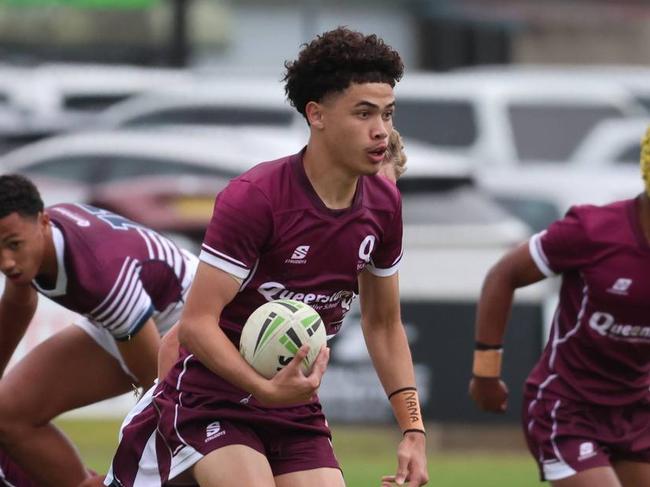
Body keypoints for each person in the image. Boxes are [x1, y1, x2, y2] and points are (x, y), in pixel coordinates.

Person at [105, 27, 428, 487]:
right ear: (316, 114)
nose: (382, 130)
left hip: (294, 406)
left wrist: (412, 429)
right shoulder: (257, 198)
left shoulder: (384, 204)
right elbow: (196, 325)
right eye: (363, 113)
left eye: (388, 114)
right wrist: (263, 389)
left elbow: (383, 324)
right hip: (211, 398)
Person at [469, 127, 650, 486]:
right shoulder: (594, 230)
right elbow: (503, 275)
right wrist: (485, 373)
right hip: (566, 409)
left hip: (637, 411)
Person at [0, 174, 198, 487]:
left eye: (13, 246)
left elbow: (152, 385)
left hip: (186, 325)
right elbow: (18, 304)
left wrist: (127, 476)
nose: (7, 262)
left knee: (170, 438)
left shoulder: (101, 275)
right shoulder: (33, 238)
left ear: (43, 222)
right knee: (8, 412)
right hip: (129, 320)